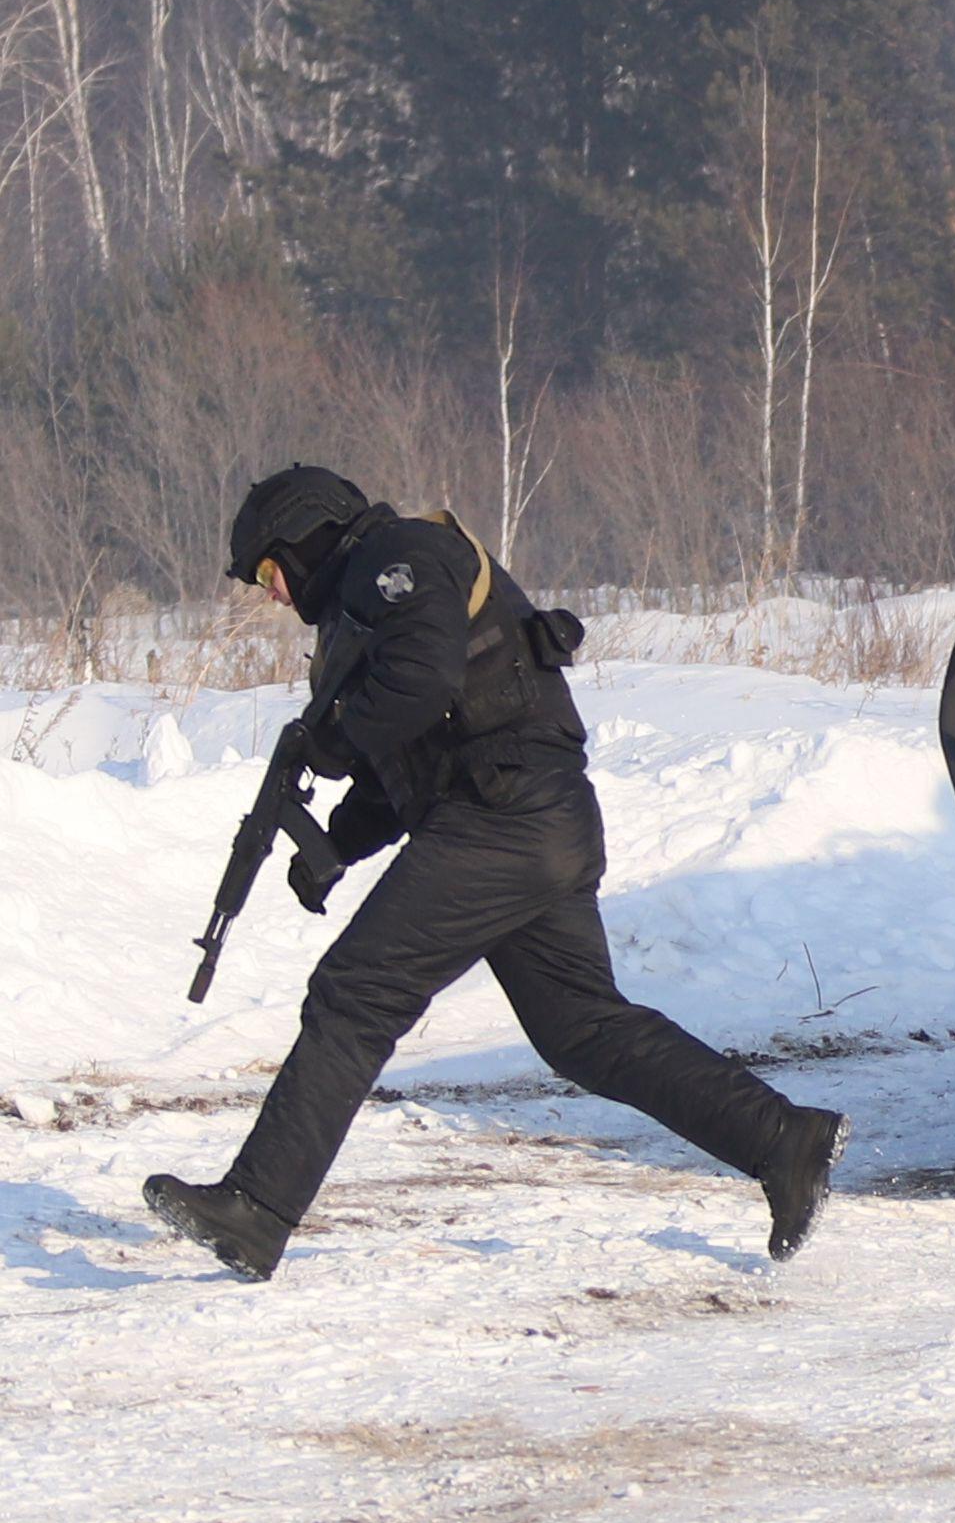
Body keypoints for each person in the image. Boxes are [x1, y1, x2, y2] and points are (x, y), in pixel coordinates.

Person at [143, 466, 843, 1282]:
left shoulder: (394, 559)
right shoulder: (365, 601)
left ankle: (257, 1212)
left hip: (503, 817)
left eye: (269, 571)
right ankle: (783, 1141)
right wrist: (338, 842)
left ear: (305, 535)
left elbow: (421, 680)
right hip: (530, 820)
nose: (272, 593)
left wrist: (331, 742)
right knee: (583, 1030)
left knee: (356, 994)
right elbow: (412, 751)